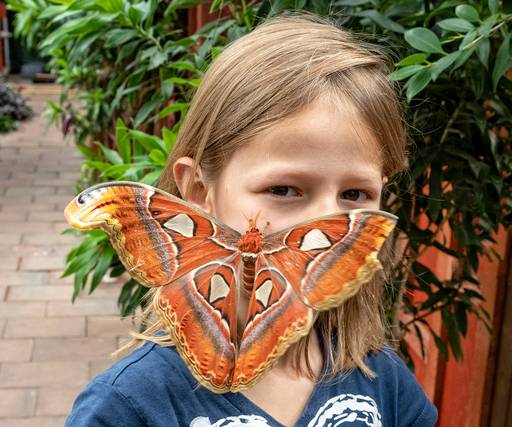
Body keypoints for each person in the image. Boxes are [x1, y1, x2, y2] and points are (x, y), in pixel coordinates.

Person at [66, 11, 438, 427]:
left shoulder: (384, 380)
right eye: (284, 189)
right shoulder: (128, 407)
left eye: (355, 195)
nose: (325, 222)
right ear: (198, 193)